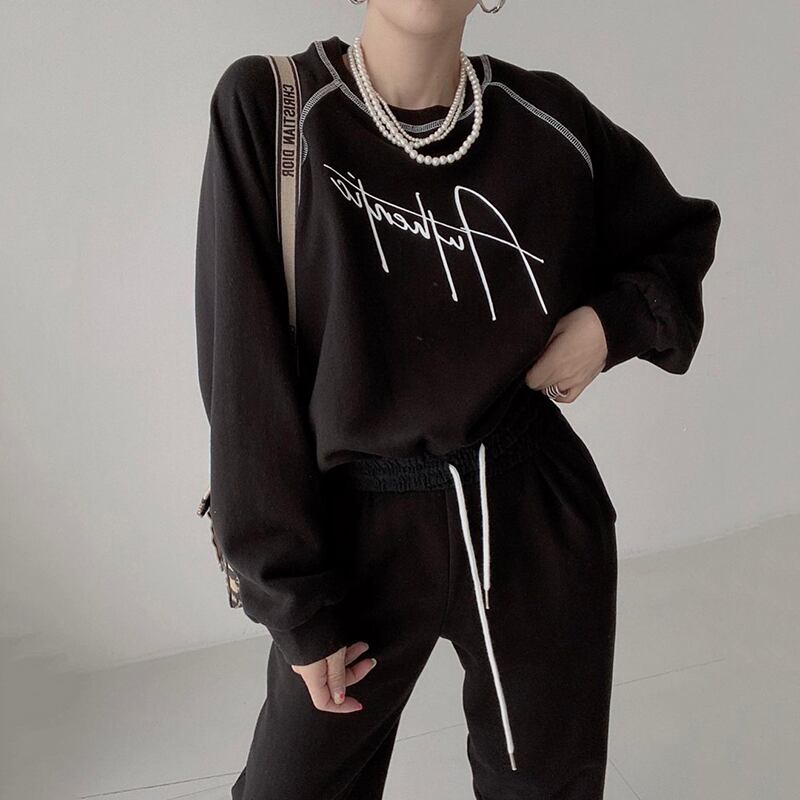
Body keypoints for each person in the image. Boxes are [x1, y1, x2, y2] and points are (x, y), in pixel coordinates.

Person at [194, 1, 721, 797]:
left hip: (529, 513)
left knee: (546, 788)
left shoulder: (546, 120)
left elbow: (677, 237)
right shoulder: (276, 108)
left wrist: (608, 325)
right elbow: (244, 382)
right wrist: (294, 601)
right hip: (354, 535)